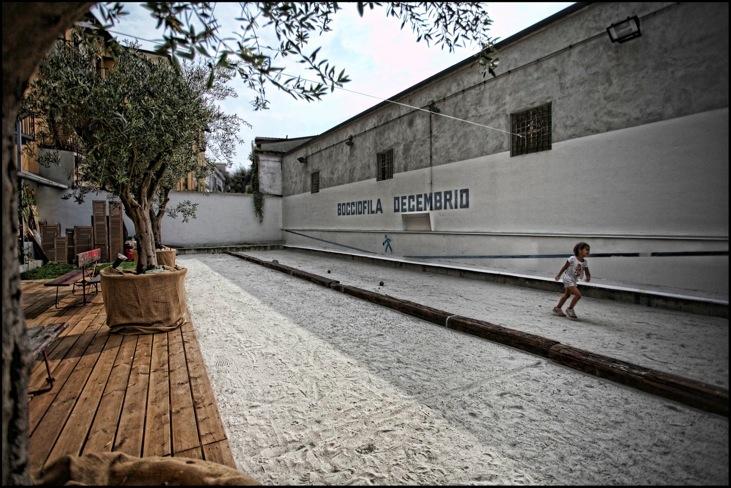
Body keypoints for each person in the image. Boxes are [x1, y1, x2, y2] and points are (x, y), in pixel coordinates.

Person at [553, 242, 591, 320]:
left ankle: (557, 308)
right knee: (578, 295)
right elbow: (564, 267)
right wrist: (559, 275)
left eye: (588, 250)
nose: (588, 251)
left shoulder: (585, 262)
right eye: (586, 249)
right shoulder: (572, 258)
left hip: (574, 280)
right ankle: (570, 309)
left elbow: (587, 271)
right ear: (580, 250)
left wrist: (588, 277)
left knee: (567, 295)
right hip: (567, 278)